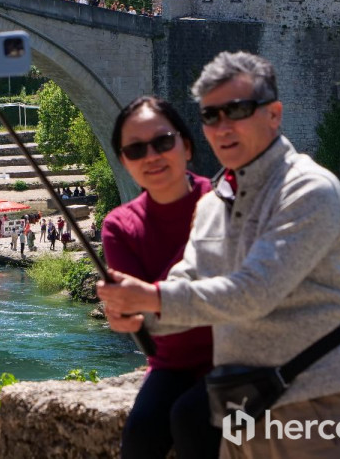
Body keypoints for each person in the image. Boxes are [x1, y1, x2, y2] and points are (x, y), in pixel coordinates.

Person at [98, 51, 340, 459]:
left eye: (238, 110)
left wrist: (151, 299)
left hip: (316, 404)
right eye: (212, 116)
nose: (223, 127)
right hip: (243, 405)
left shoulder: (308, 188)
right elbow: (188, 278)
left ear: (274, 114)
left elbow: (255, 293)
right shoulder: (215, 203)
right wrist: (137, 316)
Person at [100, 96, 217, 459]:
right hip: (172, 363)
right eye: (135, 150)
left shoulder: (224, 203)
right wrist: (123, 314)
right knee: (140, 436)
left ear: (187, 145)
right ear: (123, 162)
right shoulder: (119, 227)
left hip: (237, 355)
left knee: (192, 421)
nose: (151, 156)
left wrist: (146, 298)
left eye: (162, 142)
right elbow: (142, 315)